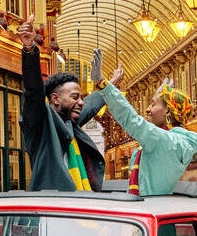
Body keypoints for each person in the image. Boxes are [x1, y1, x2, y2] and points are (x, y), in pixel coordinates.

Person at [18, 14, 123, 191]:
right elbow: (33, 92)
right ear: (55, 99)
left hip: (77, 211)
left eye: (81, 98)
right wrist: (29, 49)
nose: (81, 103)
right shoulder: (40, 124)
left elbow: (90, 106)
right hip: (52, 212)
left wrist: (109, 86)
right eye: (75, 97)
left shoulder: (68, 123)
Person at [94, 53, 197, 196]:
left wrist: (104, 85)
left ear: (168, 112)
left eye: (153, 104)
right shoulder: (174, 141)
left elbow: (131, 119)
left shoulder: (164, 141)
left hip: (149, 207)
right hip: (152, 207)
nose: (147, 109)